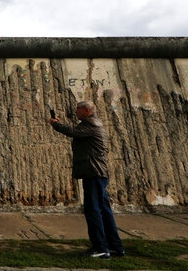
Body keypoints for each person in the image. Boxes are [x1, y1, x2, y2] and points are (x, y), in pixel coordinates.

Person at [49, 101, 124, 259]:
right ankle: (115, 246)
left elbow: (73, 132)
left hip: (94, 173)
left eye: (78, 109)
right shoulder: (91, 123)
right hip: (98, 173)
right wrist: (61, 124)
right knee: (104, 211)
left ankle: (100, 248)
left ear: (86, 110)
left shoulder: (91, 123)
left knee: (93, 211)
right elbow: (75, 131)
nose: (75, 111)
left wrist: (56, 125)